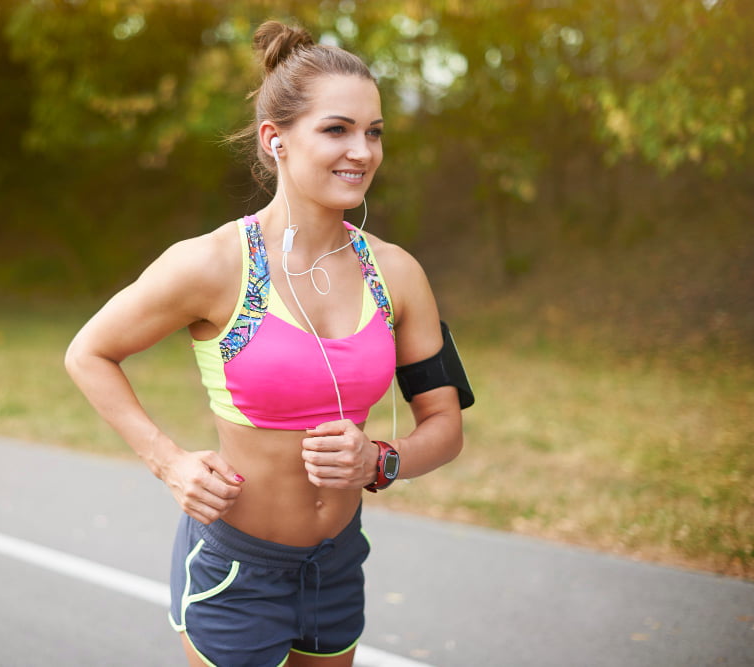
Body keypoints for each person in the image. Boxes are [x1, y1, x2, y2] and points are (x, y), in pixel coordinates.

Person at [65, 19, 473, 667]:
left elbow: (445, 425)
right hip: (237, 569)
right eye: (337, 129)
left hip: (336, 567)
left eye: (374, 132)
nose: (362, 151)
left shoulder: (397, 273)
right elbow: (88, 352)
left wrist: (380, 459)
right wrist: (169, 461)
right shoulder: (212, 264)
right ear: (275, 140)